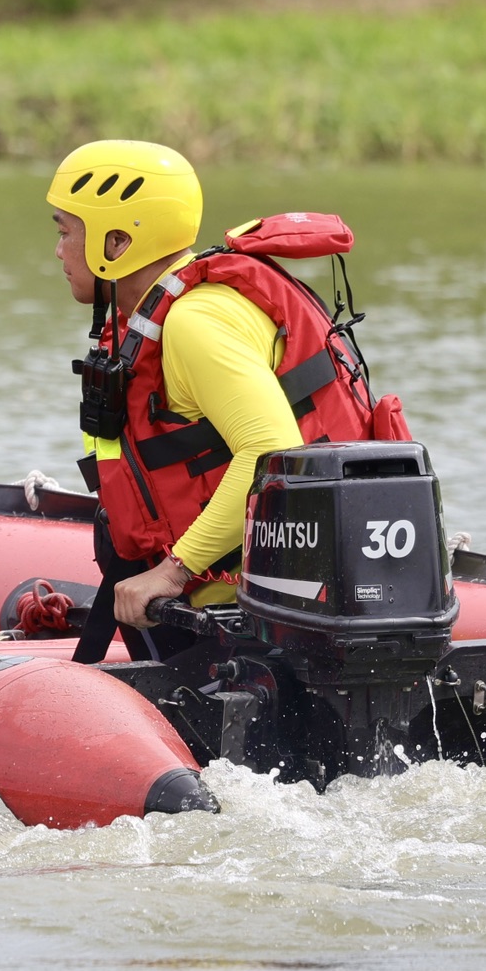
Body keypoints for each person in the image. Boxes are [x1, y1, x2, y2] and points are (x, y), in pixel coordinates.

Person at [48, 139, 412, 662]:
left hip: (257, 618)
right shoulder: (159, 314)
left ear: (118, 242)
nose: (58, 251)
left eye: (65, 231)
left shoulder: (194, 322)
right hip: (243, 598)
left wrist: (172, 571)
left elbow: (269, 451)